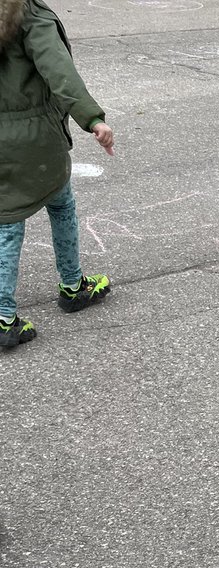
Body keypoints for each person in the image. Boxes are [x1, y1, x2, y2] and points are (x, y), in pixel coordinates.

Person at [0, 0, 114, 350]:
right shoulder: (28, 12)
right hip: (29, 138)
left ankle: (64, 286)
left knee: (15, 214)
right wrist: (92, 118)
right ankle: (64, 288)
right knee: (51, 206)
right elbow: (59, 70)